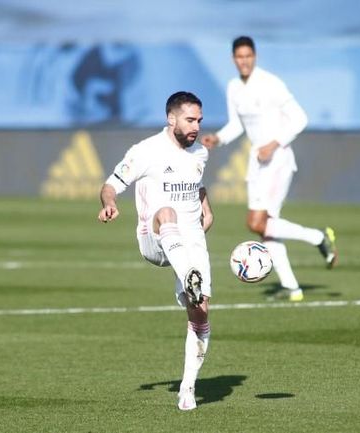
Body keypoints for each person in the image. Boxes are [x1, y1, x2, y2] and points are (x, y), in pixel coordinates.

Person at [98, 91, 212, 411]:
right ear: (171, 118)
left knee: (200, 313)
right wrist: (109, 204)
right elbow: (110, 185)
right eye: (190, 120)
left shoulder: (200, 153)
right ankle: (189, 274)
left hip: (191, 241)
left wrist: (207, 206)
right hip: (155, 237)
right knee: (166, 212)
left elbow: (195, 182)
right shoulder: (146, 151)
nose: (196, 127)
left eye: (199, 121)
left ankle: (188, 390)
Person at [201, 36, 337, 302]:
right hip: (257, 160)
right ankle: (292, 288)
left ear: (255, 56)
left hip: (278, 158)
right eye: (239, 57)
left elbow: (300, 118)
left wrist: (274, 144)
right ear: (233, 59)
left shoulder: (271, 83)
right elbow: (237, 125)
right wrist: (218, 138)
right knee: (265, 227)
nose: (244, 61)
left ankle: (317, 237)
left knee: (256, 222)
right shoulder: (233, 87)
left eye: (248, 56)